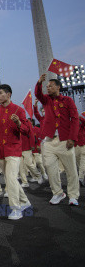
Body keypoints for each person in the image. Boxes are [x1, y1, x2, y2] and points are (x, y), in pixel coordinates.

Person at [35, 74, 80, 205]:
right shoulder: (46, 100)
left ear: (58, 87)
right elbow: (38, 94)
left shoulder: (67, 100)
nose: (48, 88)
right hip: (49, 140)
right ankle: (58, 193)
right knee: (49, 167)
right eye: (47, 86)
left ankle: (73, 195)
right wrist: (39, 83)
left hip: (64, 140)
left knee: (71, 169)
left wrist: (72, 138)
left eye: (51, 86)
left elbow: (75, 119)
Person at [0, 84, 31, 220]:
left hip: (13, 149)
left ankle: (16, 208)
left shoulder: (18, 110)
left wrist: (19, 123)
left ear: (8, 94)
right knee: (10, 179)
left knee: (11, 178)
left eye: (0, 93)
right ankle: (25, 201)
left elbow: (26, 130)